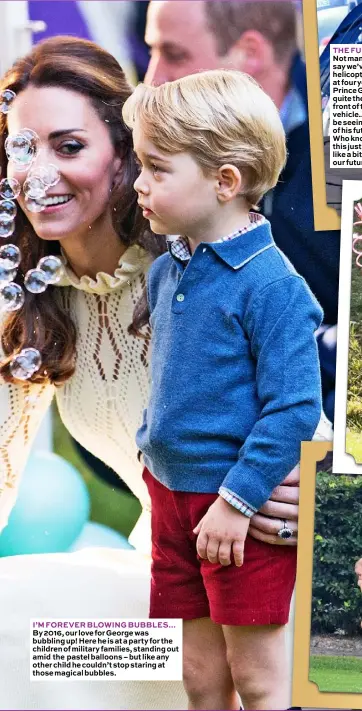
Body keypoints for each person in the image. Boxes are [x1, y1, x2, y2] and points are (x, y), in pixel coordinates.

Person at [0, 35, 310, 711]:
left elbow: (308, 423)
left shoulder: (206, 267)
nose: (37, 172)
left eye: (69, 145)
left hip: (262, 584)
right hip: (167, 586)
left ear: (127, 156)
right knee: (14, 629)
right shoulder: (29, 304)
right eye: (21, 149)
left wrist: (303, 492)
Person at [123, 69, 324, 711]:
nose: (139, 184)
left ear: (225, 181)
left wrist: (237, 501)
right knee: (201, 680)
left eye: (157, 168)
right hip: (172, 500)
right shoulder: (165, 270)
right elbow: (174, 379)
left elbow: (295, 408)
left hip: (237, 508)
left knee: (260, 682)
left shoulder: (275, 288)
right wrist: (149, 445)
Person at [144, 0, 339, 424]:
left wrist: (312, 461)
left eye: (174, 55)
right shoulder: (156, 159)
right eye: (150, 52)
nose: (151, 79)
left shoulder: (346, 128)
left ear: (249, 54)